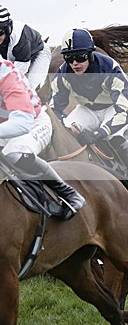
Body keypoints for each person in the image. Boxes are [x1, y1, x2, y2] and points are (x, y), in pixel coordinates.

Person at [50, 28, 128, 199]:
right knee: (66, 130)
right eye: (69, 58)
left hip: (115, 108)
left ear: (91, 54)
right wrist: (67, 125)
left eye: (80, 57)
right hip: (87, 110)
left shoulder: (109, 68)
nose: (75, 63)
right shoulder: (63, 73)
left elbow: (125, 110)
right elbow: (54, 108)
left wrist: (99, 133)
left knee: (113, 137)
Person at [0, 58, 85, 217]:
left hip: (31, 123)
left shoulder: (7, 75)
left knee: (14, 155)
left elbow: (22, 123)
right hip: (5, 127)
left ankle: (68, 194)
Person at [0, 4, 53, 90]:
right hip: (14, 54)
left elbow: (17, 75)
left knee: (32, 87)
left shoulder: (21, 37)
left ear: (8, 29)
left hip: (38, 52)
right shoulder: (4, 37)